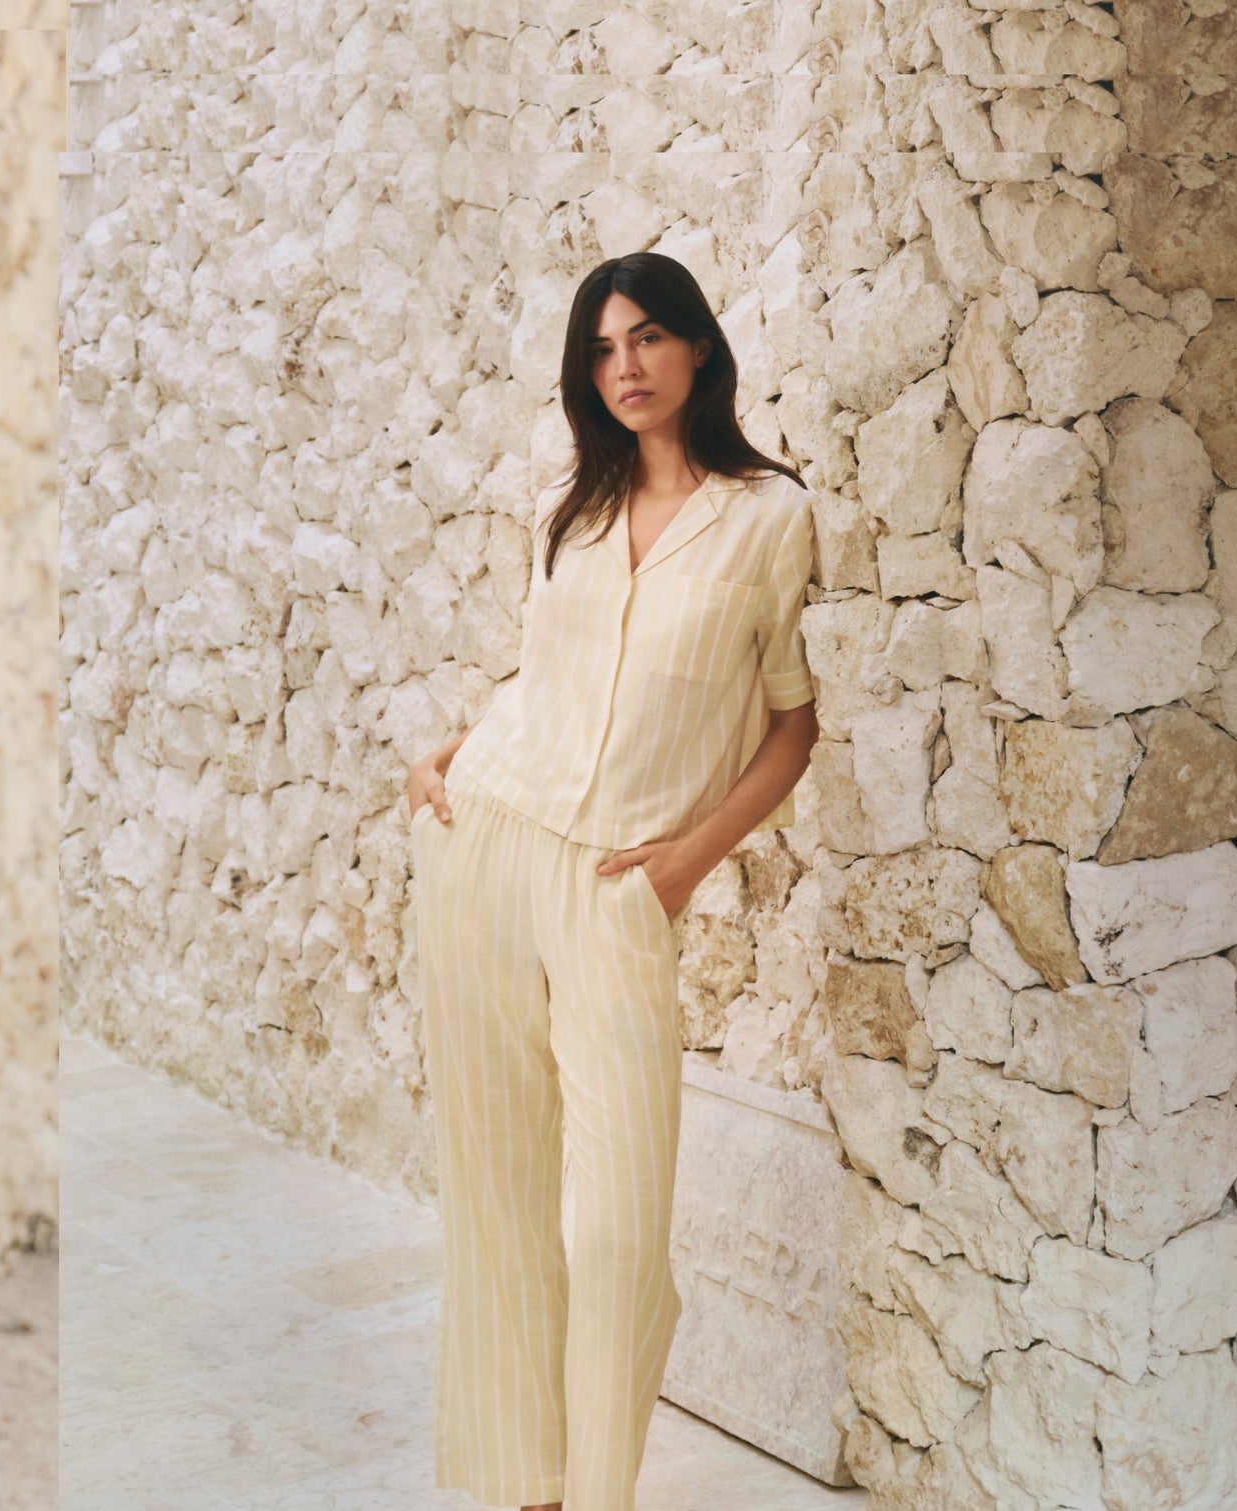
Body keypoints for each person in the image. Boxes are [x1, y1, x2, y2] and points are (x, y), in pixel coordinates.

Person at [403, 250, 819, 1511]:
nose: (624, 366)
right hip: (483, 844)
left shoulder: (768, 517)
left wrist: (687, 862)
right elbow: (548, 682)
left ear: (698, 348)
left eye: (645, 338)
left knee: (618, 1230)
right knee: (501, 1201)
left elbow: (793, 725)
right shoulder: (574, 512)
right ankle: (533, 1485)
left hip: (619, 888)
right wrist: (459, 744)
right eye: (600, 348)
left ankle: (600, 1491)